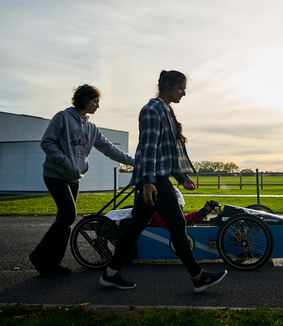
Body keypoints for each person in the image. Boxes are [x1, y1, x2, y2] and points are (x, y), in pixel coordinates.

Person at [99, 70, 228, 292]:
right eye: (180, 88)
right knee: (177, 224)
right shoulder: (152, 110)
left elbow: (167, 152)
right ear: (167, 85)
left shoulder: (167, 111)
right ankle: (198, 277)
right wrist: (149, 182)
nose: (184, 93)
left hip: (157, 176)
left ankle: (110, 273)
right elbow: (148, 149)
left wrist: (181, 176)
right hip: (154, 178)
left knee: (135, 227)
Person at [29, 84, 134, 277]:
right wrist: (63, 161)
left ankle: (52, 264)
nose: (98, 106)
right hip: (55, 175)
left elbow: (110, 149)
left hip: (73, 178)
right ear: (84, 100)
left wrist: (134, 162)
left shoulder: (92, 128)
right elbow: (47, 142)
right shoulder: (62, 118)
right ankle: (38, 256)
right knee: (68, 216)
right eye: (95, 101)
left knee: (65, 219)